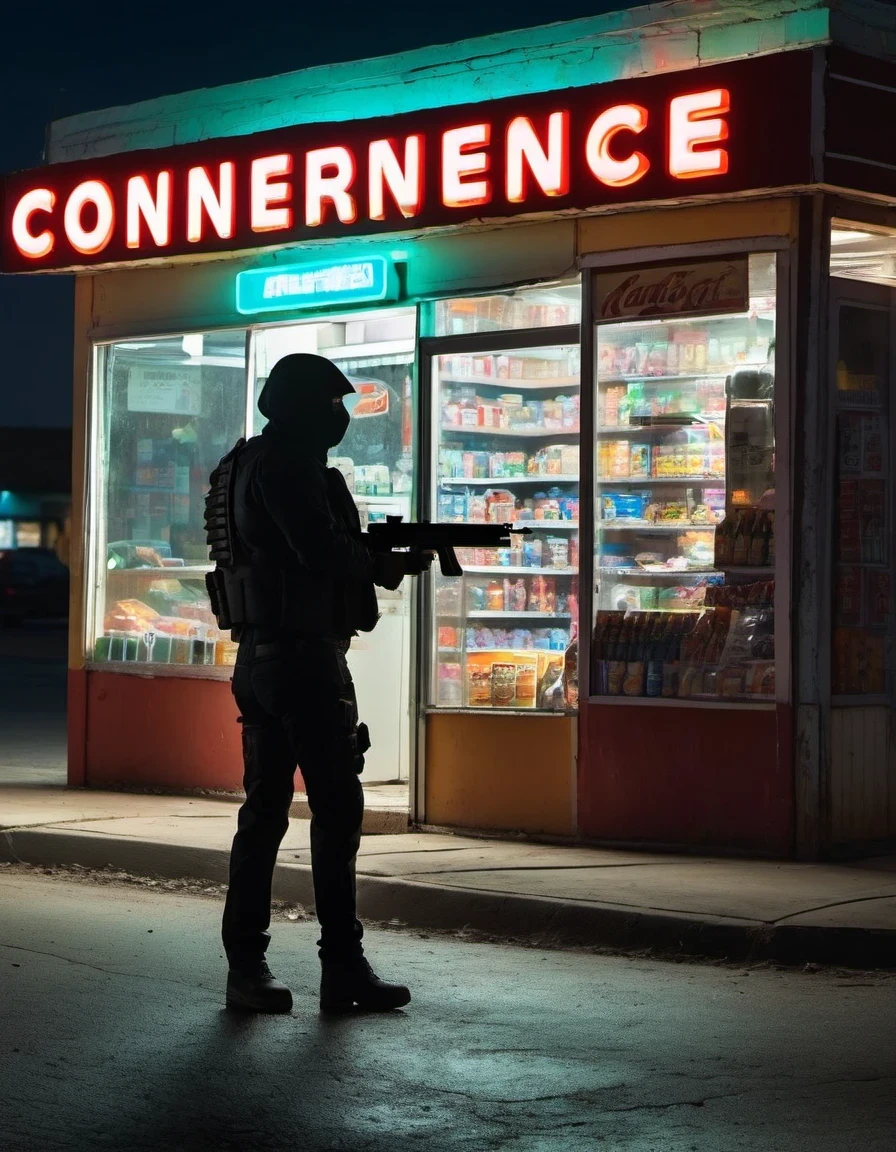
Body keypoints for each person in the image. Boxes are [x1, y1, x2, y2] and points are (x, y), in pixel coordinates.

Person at [207, 353, 430, 1014]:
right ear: (306, 407)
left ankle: (248, 966)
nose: (342, 418)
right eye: (334, 406)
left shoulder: (246, 462)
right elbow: (320, 550)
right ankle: (342, 967)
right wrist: (384, 563)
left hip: (261, 659)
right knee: (336, 811)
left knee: (266, 813)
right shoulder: (286, 467)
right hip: (304, 661)